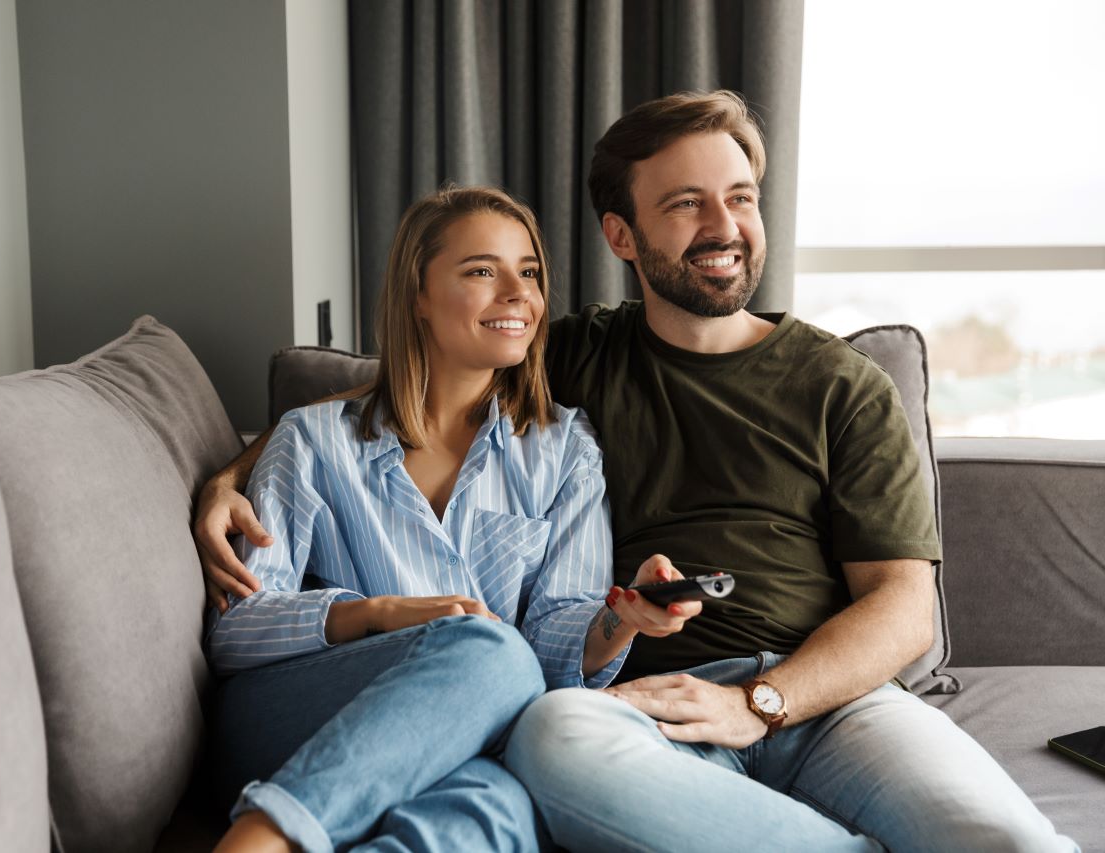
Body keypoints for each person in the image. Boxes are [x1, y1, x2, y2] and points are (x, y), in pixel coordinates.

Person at [197, 94, 1075, 851]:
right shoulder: (573, 359)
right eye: (688, 204)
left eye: (740, 198)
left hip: (827, 701)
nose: (724, 226)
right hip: (640, 710)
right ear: (622, 232)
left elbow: (902, 607)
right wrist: (233, 467)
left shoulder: (843, 385)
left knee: (1006, 837)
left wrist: (762, 701)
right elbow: (411, 381)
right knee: (551, 733)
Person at [203, 185, 690, 853]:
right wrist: (381, 613)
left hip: (468, 728)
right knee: (493, 651)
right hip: (293, 719)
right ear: (417, 296)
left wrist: (621, 617)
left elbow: (554, 644)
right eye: (482, 270)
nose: (518, 293)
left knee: (498, 803)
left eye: (530, 272)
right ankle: (261, 838)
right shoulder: (313, 440)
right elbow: (236, 630)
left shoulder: (563, 450)